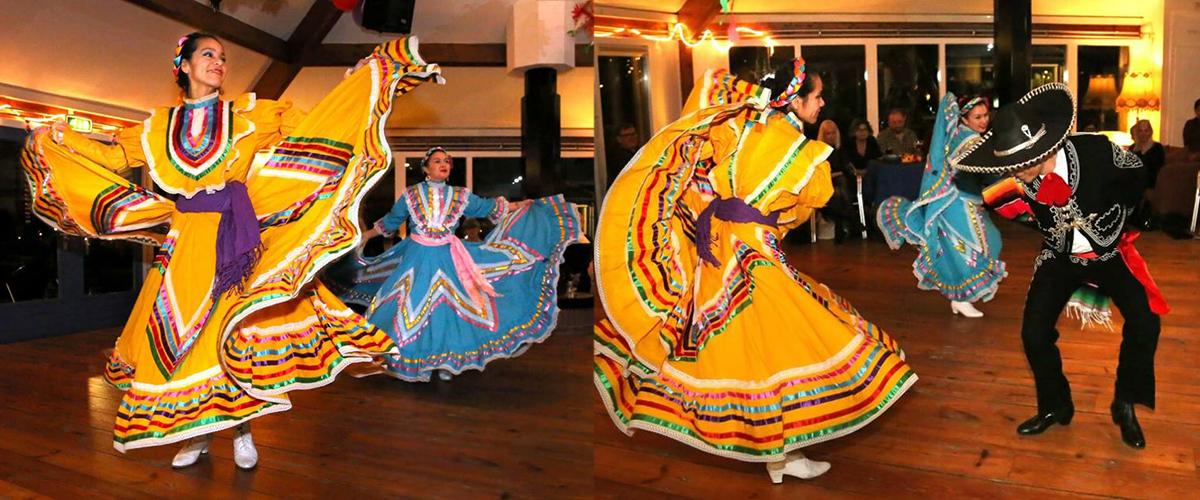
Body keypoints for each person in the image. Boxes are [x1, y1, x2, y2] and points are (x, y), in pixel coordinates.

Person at [21, 34, 447, 468]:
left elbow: (317, 124)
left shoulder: (252, 114)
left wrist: (357, 83)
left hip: (238, 240)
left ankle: (243, 430)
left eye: (223, 58)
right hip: (186, 242)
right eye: (208, 55)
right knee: (185, 342)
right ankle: (196, 435)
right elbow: (107, 155)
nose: (219, 63)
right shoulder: (155, 127)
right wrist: (59, 136)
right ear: (183, 66)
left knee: (231, 332)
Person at [593, 60, 916, 483]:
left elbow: (715, 170)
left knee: (756, 348)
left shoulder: (745, 125)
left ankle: (781, 457)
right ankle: (782, 457)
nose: (822, 103)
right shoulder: (785, 139)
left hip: (726, 246)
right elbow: (811, 197)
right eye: (816, 96)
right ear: (795, 99)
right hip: (749, 252)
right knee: (783, 340)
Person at [955, 83, 1169, 450]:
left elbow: (1135, 174)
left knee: (1146, 321)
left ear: (1044, 149)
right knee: (1033, 334)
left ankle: (1125, 403)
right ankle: (1056, 406)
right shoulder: (1015, 181)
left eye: (1018, 166)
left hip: (1107, 253)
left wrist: (1119, 217)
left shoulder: (1097, 151)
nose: (1013, 173)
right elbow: (993, 196)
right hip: (1059, 256)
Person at [323, 147, 583, 382]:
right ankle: (407, 359)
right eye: (437, 161)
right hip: (416, 259)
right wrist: (363, 236)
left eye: (446, 161)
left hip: (449, 258)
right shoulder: (412, 195)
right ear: (425, 168)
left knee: (451, 309)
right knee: (409, 309)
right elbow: (391, 221)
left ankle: (447, 362)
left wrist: (519, 205)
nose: (443, 164)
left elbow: (488, 207)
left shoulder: (460, 195)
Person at [878, 95, 1006, 318]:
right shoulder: (970, 142)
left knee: (982, 243)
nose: (984, 120)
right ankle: (960, 297)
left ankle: (960, 297)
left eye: (985, 115)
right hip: (958, 203)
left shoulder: (964, 136)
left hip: (965, 200)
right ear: (964, 119)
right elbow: (985, 171)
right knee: (976, 248)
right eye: (977, 117)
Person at [817, 119, 863, 242]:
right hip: (824, 185)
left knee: (839, 190)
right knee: (838, 189)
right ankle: (851, 219)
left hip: (842, 185)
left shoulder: (841, 150)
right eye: (828, 133)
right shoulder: (819, 151)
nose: (831, 136)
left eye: (833, 133)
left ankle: (841, 225)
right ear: (823, 135)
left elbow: (846, 169)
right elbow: (821, 172)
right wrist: (835, 174)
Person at [1129, 119, 1166, 230]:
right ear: (1137, 133)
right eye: (1141, 131)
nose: (1144, 134)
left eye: (1146, 131)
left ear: (1150, 132)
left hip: (1151, 179)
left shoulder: (1157, 148)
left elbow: (1158, 167)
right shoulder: (1133, 148)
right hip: (1134, 178)